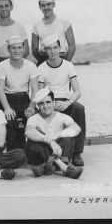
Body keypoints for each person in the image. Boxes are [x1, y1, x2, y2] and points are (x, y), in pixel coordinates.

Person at [36, 34, 85, 166]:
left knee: (79, 109)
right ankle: (48, 152)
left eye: (55, 48)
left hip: (65, 101)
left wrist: (67, 103)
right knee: (39, 116)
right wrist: (50, 105)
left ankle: (77, 153)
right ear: (45, 51)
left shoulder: (68, 66)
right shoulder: (41, 68)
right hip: (49, 101)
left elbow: (77, 91)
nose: (52, 51)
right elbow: (41, 93)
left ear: (60, 49)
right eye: (49, 49)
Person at [25, 88, 83, 179]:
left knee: (68, 137)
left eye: (48, 102)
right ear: (37, 106)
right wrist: (49, 141)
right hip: (43, 155)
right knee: (35, 138)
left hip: (58, 152)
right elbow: (28, 132)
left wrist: (56, 136)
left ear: (53, 102)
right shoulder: (33, 118)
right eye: (41, 103)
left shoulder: (63, 117)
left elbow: (77, 128)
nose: (45, 106)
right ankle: (63, 167)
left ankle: (45, 166)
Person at [0, 36, 38, 150]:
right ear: (9, 50)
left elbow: (35, 89)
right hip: (8, 99)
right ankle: (13, 151)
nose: (17, 51)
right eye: (13, 48)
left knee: (34, 118)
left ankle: (31, 150)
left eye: (19, 47)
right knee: (9, 121)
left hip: (24, 99)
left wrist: (32, 107)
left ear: (24, 49)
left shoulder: (31, 66)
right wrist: (6, 108)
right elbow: (0, 89)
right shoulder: (2, 66)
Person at [31, 0, 76, 65]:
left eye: (48, 4)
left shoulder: (64, 23)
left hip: (61, 59)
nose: (46, 8)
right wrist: (43, 62)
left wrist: (65, 63)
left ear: (53, 5)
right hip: (43, 60)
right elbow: (34, 49)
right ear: (40, 7)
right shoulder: (36, 26)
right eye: (43, 5)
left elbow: (72, 47)